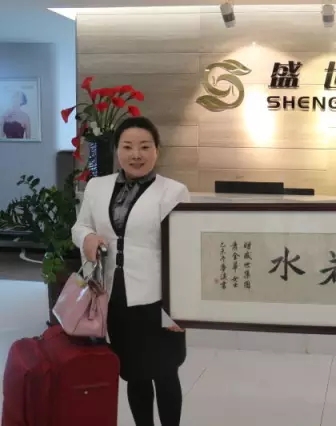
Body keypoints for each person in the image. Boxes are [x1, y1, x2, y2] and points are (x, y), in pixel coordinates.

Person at [72, 116, 190, 426]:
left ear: (157, 150)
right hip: (115, 298)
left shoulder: (173, 191)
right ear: (117, 151)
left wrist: (178, 309)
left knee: (165, 373)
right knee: (135, 374)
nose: (136, 154)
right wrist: (87, 238)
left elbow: (184, 251)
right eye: (127, 147)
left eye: (144, 147)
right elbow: (80, 225)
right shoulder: (97, 187)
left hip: (158, 300)